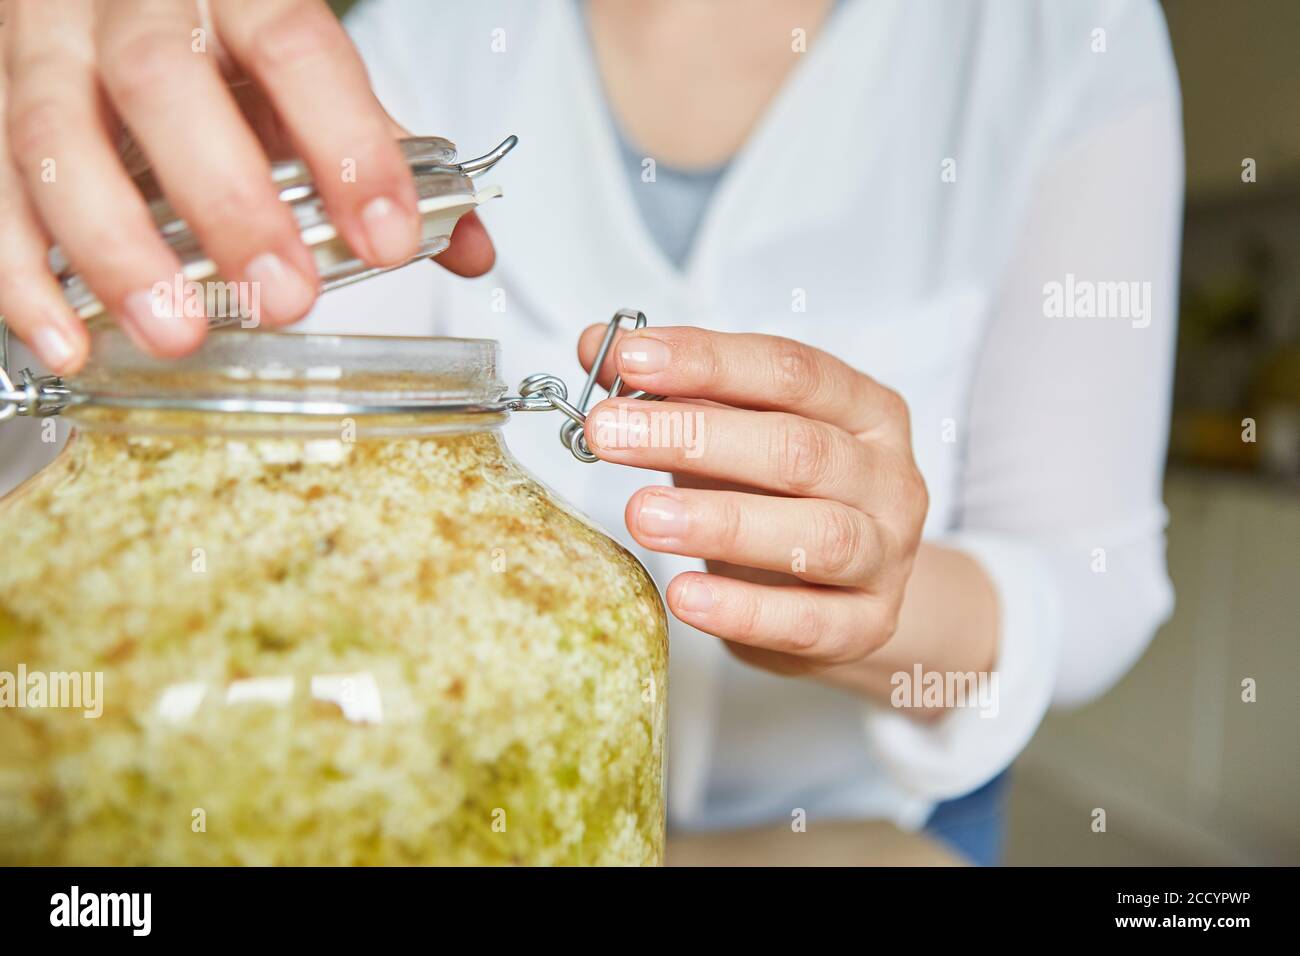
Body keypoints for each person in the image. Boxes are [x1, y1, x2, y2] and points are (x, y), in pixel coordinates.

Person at [0, 0, 1182, 865]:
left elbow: (1094, 579)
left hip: (873, 832)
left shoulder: (1059, 37)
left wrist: (869, 604)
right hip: (467, 806)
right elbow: (287, 454)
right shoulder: (411, 41)